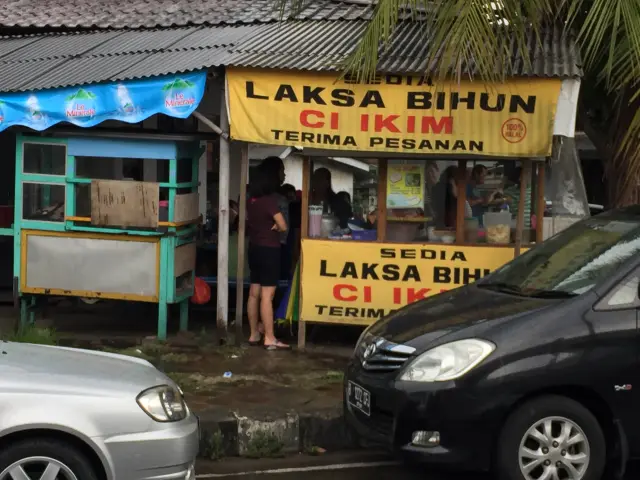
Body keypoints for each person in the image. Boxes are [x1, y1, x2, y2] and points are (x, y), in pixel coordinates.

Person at [246, 163, 290, 351]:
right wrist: (276, 226)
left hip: (254, 249)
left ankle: (254, 333)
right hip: (269, 250)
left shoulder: (252, 201)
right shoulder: (269, 202)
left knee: (253, 293)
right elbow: (284, 226)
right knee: (267, 295)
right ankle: (270, 337)